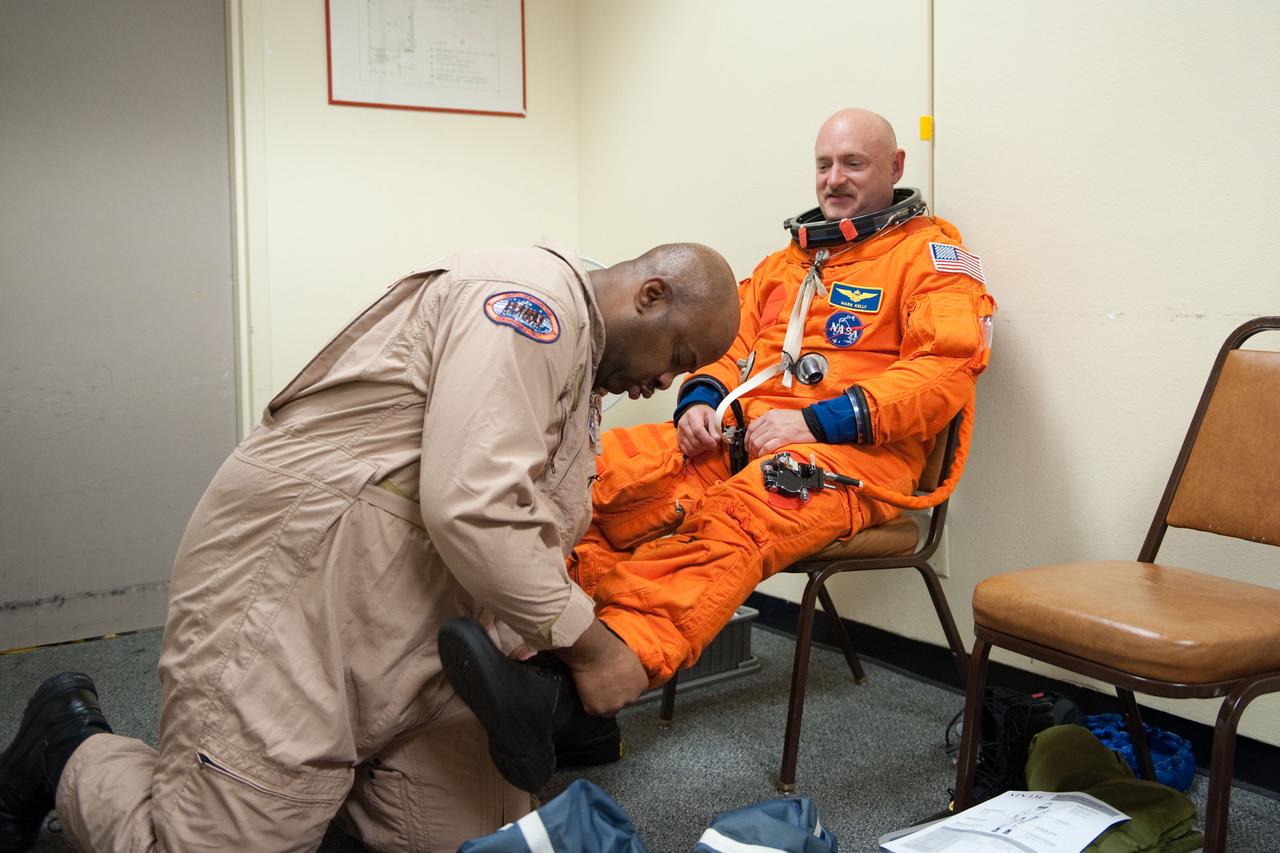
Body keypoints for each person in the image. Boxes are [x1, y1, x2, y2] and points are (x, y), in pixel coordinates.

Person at [0, 241, 740, 853]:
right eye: (678, 353)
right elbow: (474, 506)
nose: (668, 383)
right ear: (648, 294)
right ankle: (66, 744)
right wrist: (593, 647)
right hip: (296, 595)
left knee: (485, 844)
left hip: (416, 631)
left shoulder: (580, 379)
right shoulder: (529, 304)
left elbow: (527, 526)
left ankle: (310, 785)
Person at [439, 109, 998, 791]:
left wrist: (815, 425)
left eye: (853, 163)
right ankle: (541, 657)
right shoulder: (787, 263)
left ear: (897, 168)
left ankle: (574, 689)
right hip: (741, 441)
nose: (835, 179)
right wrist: (700, 402)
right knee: (599, 475)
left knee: (734, 519)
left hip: (854, 463)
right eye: (824, 164)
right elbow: (734, 347)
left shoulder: (933, 258)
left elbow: (944, 372)